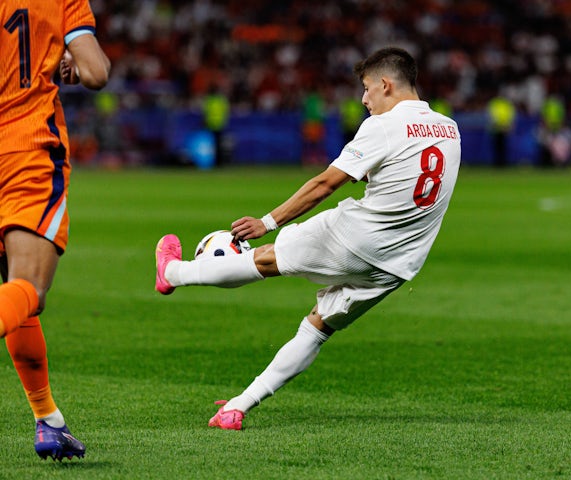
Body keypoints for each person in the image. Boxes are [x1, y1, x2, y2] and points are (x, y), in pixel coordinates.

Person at [155, 47, 461, 430]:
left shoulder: (384, 126)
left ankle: (175, 273)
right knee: (318, 328)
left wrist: (268, 221)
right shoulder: (450, 128)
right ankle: (237, 407)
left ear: (386, 84)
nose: (363, 100)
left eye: (367, 89)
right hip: (398, 265)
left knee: (266, 259)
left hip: (357, 237)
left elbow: (323, 185)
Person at [0, 0, 110, 461]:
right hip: (25, 149)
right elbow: (95, 72)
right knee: (28, 287)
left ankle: (49, 421)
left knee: (16, 294)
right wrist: (64, 57)